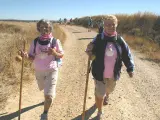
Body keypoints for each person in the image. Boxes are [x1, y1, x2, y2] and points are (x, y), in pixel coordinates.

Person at [86, 15, 134, 120]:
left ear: (116, 25)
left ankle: (107, 94)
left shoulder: (120, 40)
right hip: (99, 72)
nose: (110, 26)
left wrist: (130, 68)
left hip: (113, 73)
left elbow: (127, 54)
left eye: (113, 24)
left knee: (109, 89)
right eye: (108, 24)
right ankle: (99, 111)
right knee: (99, 94)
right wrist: (89, 51)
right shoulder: (98, 38)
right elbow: (91, 51)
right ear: (104, 26)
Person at [21, 19, 64, 120]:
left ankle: (44, 114)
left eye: (47, 27)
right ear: (38, 28)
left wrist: (54, 53)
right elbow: (31, 57)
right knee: (44, 89)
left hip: (52, 70)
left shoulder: (55, 41)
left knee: (48, 95)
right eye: (42, 26)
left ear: (50, 28)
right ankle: (48, 95)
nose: (44, 28)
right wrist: (26, 56)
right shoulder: (35, 41)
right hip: (39, 70)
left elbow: (61, 55)